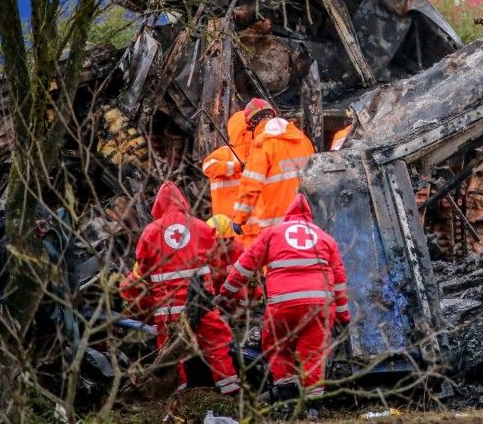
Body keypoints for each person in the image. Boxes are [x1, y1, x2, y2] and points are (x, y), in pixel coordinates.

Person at [219, 193, 350, 404]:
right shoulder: (326, 238)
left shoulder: (272, 234)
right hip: (319, 307)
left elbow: (245, 266)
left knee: (277, 346)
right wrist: (344, 317)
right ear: (309, 216)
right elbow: (339, 283)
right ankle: (314, 408)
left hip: (282, 304)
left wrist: (226, 292)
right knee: (313, 355)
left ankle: (286, 397)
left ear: (288, 216)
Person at [123, 181, 239, 395]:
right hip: (200, 302)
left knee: (172, 354)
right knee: (216, 344)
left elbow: (143, 268)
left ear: (158, 205)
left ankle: (178, 396)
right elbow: (215, 263)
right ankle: (231, 390)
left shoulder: (150, 232)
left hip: (167, 307)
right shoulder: (201, 227)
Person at [231, 98, 315, 245]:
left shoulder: (263, 143)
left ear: (252, 123)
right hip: (307, 216)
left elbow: (251, 185)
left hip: (277, 223)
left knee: (278, 265)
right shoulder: (302, 139)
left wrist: (239, 218)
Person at [202, 110, 253, 219]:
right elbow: (207, 167)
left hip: (251, 225)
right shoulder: (225, 152)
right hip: (227, 223)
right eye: (251, 128)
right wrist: (236, 167)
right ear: (242, 131)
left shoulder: (258, 154)